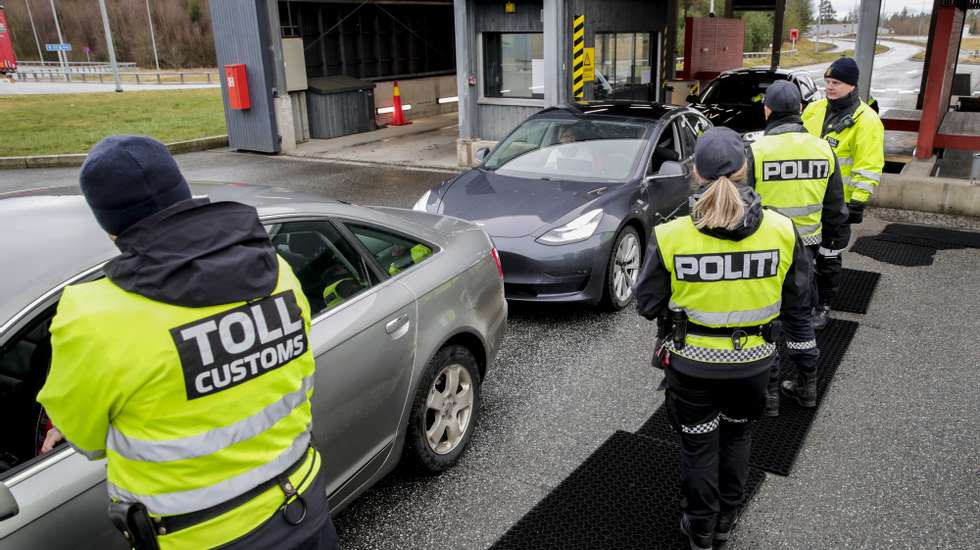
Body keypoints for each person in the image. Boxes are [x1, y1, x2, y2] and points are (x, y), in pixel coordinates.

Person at [36, 136, 338, 550]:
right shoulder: (276, 269)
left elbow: (86, 441)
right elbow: (297, 377)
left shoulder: (90, 316)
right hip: (303, 508)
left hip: (199, 538)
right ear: (183, 192)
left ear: (108, 227)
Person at [635, 127, 817, 550]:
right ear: (746, 170)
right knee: (737, 436)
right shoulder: (782, 230)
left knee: (699, 448)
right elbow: (799, 299)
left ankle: (700, 528)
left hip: (691, 365)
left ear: (694, 173)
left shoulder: (671, 234)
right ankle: (727, 518)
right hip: (755, 364)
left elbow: (647, 304)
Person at [746, 80, 850, 414]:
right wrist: (833, 244)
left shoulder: (757, 151)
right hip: (806, 250)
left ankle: (770, 393)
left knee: (767, 322)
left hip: (767, 251)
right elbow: (835, 207)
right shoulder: (823, 149)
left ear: (768, 110)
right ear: (801, 110)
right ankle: (807, 387)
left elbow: (745, 206)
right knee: (800, 318)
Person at [802, 57, 885, 328]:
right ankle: (800, 300)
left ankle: (823, 306)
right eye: (827, 82)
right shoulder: (814, 110)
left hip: (837, 205)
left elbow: (869, 166)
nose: (829, 87)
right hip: (806, 200)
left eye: (836, 83)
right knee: (802, 255)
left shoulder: (867, 120)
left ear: (851, 85)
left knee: (828, 256)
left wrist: (857, 203)